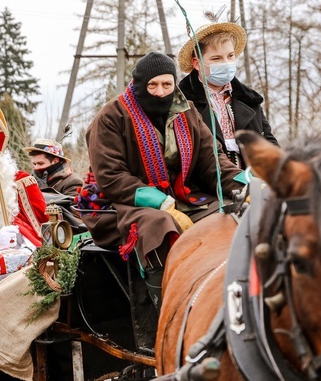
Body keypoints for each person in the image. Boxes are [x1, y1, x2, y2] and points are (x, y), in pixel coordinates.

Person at [85, 52, 246, 310]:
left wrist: (244, 182)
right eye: (152, 85)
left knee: (232, 214)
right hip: (124, 204)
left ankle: (225, 296)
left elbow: (210, 161)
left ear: (174, 84)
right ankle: (169, 310)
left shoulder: (188, 111)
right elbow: (110, 176)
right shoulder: (111, 117)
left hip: (184, 197)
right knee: (159, 225)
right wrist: (159, 201)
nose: (160, 92)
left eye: (167, 84)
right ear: (139, 85)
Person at [178, 22, 277, 168]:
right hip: (207, 186)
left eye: (230, 56)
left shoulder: (249, 100)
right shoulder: (182, 104)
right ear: (197, 63)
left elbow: (268, 142)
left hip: (253, 182)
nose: (226, 63)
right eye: (216, 58)